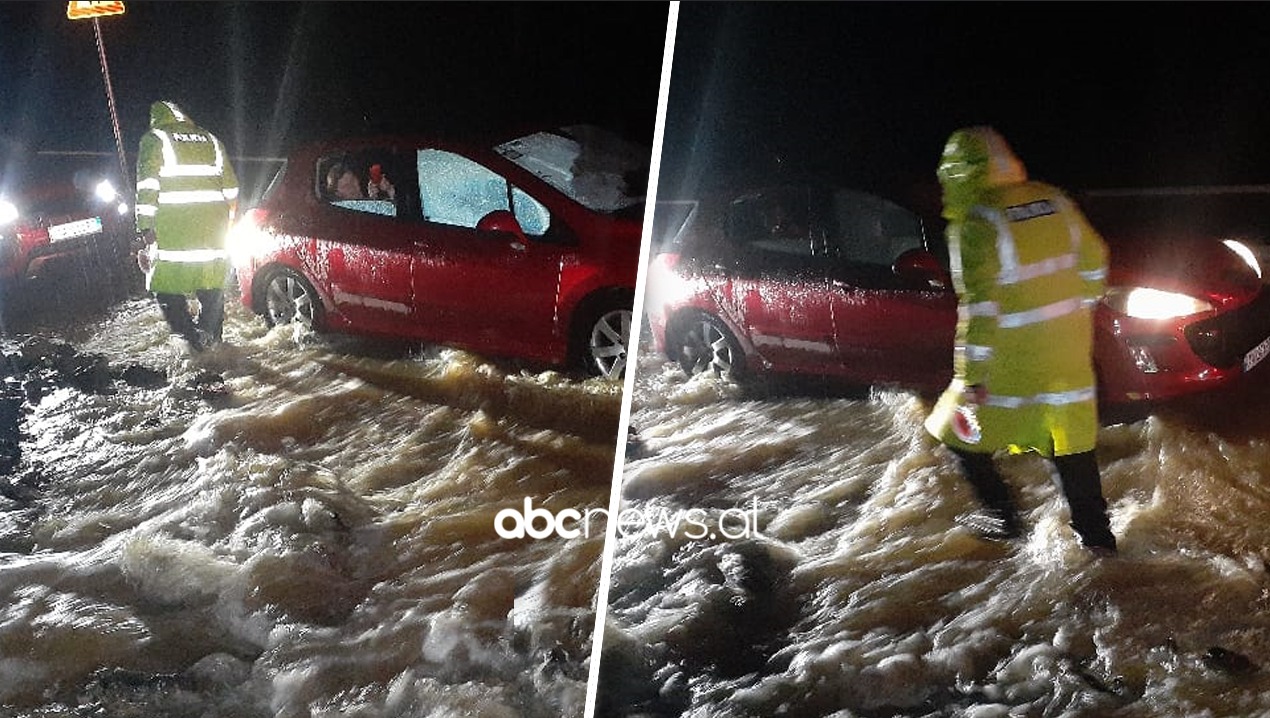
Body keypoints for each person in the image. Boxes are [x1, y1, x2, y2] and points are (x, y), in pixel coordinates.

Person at [923, 126, 1118, 555]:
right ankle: (1098, 543)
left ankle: (1003, 517)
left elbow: (979, 309)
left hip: (1010, 362)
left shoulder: (975, 222)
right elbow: (1095, 258)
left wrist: (970, 378)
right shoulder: (1054, 198)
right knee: (1068, 442)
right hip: (1067, 351)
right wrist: (1076, 310)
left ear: (956, 173)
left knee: (956, 432)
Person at [134, 100, 239, 352]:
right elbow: (232, 188)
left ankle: (189, 341)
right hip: (214, 230)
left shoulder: (155, 139)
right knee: (212, 283)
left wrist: (144, 227)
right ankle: (212, 341)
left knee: (164, 285)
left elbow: (148, 186)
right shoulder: (211, 139)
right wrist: (227, 221)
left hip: (174, 230)